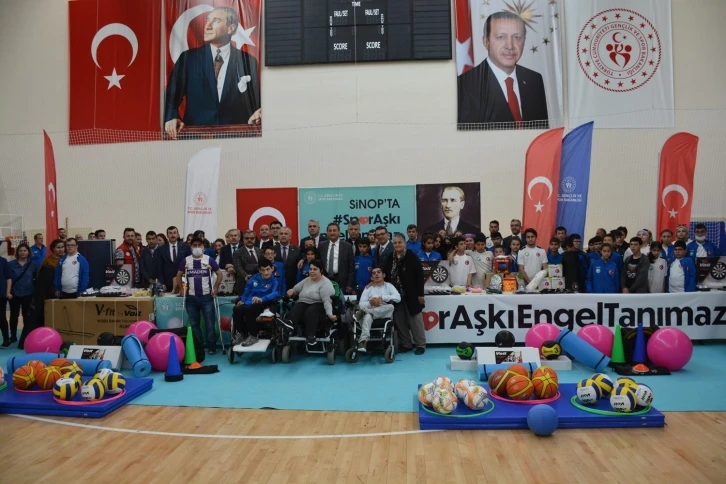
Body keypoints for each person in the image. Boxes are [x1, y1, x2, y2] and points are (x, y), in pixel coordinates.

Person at [164, 7, 261, 139]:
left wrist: (259, 113)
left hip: (236, 138)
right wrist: (171, 117)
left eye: (216, 21)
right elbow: (171, 97)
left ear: (231, 28)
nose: (207, 26)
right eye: (207, 20)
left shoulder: (248, 61)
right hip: (196, 138)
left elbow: (256, 102)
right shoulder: (188, 59)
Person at [457, 11, 548, 128]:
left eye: (517, 37)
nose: (510, 46)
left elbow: (542, 132)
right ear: (486, 42)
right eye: (501, 37)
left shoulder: (534, 80)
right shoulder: (464, 86)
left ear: (524, 41)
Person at [175, 237, 222, 354]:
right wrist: (181, 289)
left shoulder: (209, 259)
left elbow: (220, 274)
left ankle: (211, 348)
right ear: (191, 247)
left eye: (199, 245)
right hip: (191, 298)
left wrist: (216, 287)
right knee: (194, 324)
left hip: (206, 297)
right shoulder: (186, 260)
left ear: (203, 247)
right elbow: (178, 275)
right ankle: (198, 347)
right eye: (194, 245)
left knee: (210, 324)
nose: (197, 247)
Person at [18, 239, 66, 350]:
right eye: (58, 247)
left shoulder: (66, 259)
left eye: (62, 247)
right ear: (53, 249)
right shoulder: (47, 261)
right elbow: (41, 278)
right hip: (47, 294)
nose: (61, 249)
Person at [384, 233, 426, 355]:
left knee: (415, 320)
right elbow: (385, 273)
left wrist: (420, 294)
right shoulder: (390, 257)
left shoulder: (411, 256)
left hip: (411, 294)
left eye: (400, 242)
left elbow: (419, 276)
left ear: (404, 243)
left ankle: (420, 345)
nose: (397, 245)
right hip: (395, 295)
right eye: (395, 243)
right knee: (400, 320)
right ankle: (406, 344)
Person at [286, 259, 336, 346]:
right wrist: (292, 291)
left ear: (321, 270)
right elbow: (296, 289)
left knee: (311, 311)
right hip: (304, 302)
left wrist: (330, 314)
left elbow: (327, 301)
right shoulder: (307, 280)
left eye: (315, 269)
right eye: (310, 269)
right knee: (297, 307)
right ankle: (291, 327)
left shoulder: (326, 284)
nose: (312, 271)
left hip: (319, 305)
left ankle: (311, 336)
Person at [232, 259, 280, 346]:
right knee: (237, 309)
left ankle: (253, 336)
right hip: (249, 301)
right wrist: (242, 301)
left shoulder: (274, 280)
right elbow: (246, 291)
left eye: (268, 269)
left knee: (249, 309)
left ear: (272, 268)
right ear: (259, 270)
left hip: (263, 303)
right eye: (263, 270)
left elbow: (275, 293)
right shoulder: (254, 278)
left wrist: (262, 299)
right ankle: (241, 334)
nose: (265, 273)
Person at [354, 268, 401, 352]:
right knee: (368, 316)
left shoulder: (389, 286)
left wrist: (383, 298)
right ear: (371, 278)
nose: (376, 274)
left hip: (384, 312)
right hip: (371, 310)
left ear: (384, 275)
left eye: (379, 272)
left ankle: (365, 311)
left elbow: (398, 298)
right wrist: (370, 303)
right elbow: (361, 304)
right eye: (374, 273)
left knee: (391, 307)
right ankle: (362, 341)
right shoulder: (368, 288)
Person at [6, 244, 37, 346]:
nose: (22, 252)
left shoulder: (33, 265)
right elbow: (8, 279)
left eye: (24, 250)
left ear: (28, 252)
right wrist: (8, 292)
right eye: (20, 251)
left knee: (26, 316)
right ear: (17, 252)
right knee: (14, 315)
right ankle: (13, 335)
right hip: (14, 294)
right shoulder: (11, 264)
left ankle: (26, 335)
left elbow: (36, 279)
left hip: (28, 293)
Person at [318, 223, 355, 294]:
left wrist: (349, 284)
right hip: (325, 279)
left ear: (339, 232)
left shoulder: (347, 246)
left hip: (342, 281)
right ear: (327, 233)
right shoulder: (322, 245)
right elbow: (317, 262)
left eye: (334, 230)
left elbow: (351, 268)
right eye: (330, 231)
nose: (332, 233)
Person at [155, 226, 190, 293]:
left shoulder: (185, 247)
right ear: (167, 235)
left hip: (182, 283)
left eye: (174, 233)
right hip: (167, 283)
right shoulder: (161, 249)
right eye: (170, 233)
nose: (172, 235)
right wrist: (162, 283)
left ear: (178, 235)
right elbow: (159, 267)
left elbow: (188, 265)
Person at [233, 230, 264, 295]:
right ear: (243, 239)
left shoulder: (260, 251)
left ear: (255, 239)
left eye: (252, 238)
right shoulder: (238, 252)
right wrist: (246, 276)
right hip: (244, 284)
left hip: (260, 283)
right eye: (247, 238)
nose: (249, 240)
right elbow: (238, 268)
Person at [275, 227, 300, 292]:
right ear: (278, 236)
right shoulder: (273, 249)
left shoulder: (297, 250)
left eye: (286, 234)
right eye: (281, 233)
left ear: (290, 236)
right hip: (276, 282)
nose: (283, 235)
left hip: (292, 283)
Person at [0, 248, 10, 348]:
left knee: (1, 317)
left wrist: (8, 291)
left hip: (1, 295)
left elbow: (8, 278)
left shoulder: (3, 261)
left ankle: (6, 339)